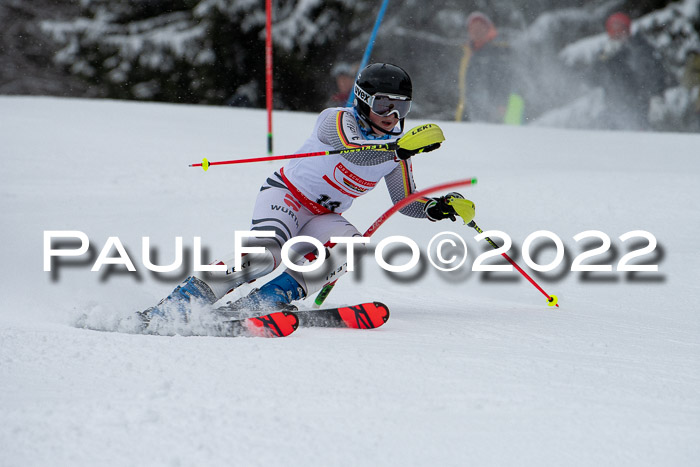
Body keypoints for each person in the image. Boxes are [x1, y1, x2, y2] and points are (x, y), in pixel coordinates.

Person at [142, 63, 473, 323]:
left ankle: (263, 303)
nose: (392, 116)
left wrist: (438, 208)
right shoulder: (336, 121)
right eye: (383, 105)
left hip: (323, 216)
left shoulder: (395, 152)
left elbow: (404, 201)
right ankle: (182, 302)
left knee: (349, 249)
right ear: (361, 100)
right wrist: (397, 150)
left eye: (401, 107)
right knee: (265, 255)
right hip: (286, 196)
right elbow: (354, 151)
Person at [592, 12, 672, 130]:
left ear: (627, 29)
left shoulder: (640, 48)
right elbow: (592, 79)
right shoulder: (607, 54)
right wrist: (604, 58)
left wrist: (657, 96)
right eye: (613, 31)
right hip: (613, 107)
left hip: (639, 106)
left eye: (620, 29)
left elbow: (654, 73)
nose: (617, 34)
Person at [455, 11, 525, 125]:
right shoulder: (468, 54)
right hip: (470, 113)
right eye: (473, 27)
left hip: (497, 113)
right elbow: (467, 89)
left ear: (488, 30)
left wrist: (501, 105)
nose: (476, 30)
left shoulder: (498, 52)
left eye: (480, 27)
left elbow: (505, 80)